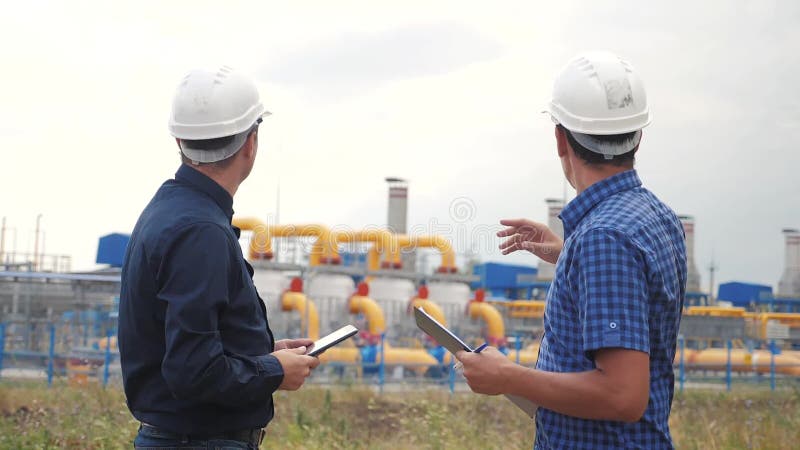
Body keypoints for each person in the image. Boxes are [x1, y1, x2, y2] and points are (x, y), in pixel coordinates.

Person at [456, 51, 687, 449]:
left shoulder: (604, 237)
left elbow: (622, 396)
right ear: (638, 137)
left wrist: (507, 376)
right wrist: (568, 256)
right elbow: (639, 291)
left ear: (560, 138)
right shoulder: (656, 216)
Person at [118, 66, 320, 449]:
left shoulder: (171, 210)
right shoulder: (200, 231)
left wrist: (259, 354)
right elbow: (193, 371)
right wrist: (272, 371)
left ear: (179, 139)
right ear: (251, 144)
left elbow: (185, 346)